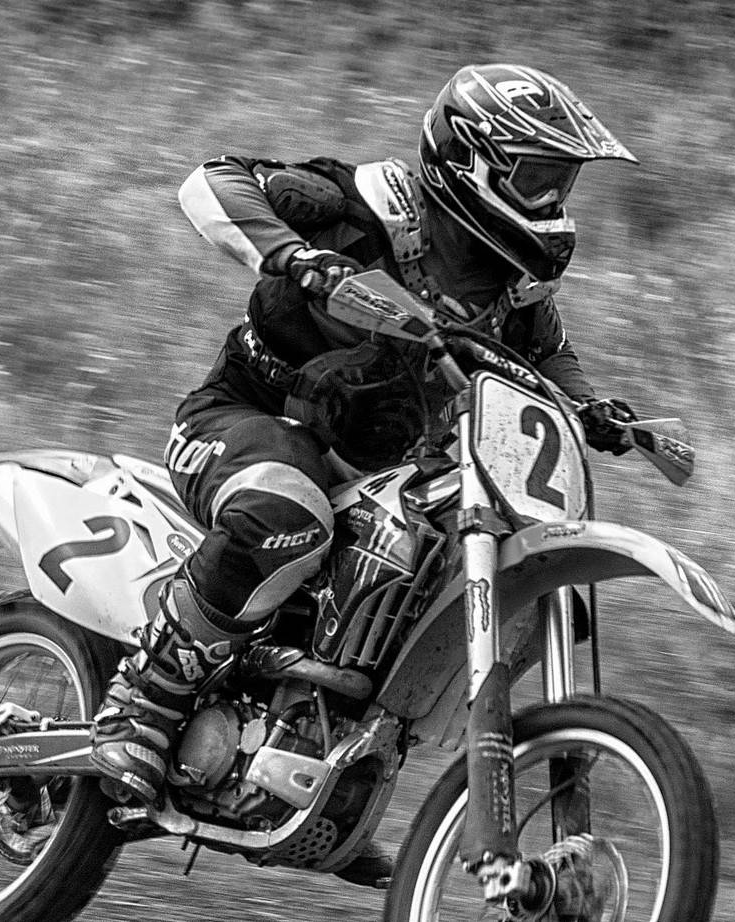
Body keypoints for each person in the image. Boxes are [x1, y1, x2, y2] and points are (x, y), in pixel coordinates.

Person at [89, 63, 640, 816]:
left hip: (372, 472)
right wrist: (296, 255)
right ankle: (143, 700)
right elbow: (212, 182)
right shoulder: (366, 207)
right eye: (537, 179)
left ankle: (337, 762)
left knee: (438, 568)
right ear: (470, 161)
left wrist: (593, 407)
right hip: (242, 422)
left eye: (560, 184)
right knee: (286, 513)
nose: (551, 202)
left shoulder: (514, 289)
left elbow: (549, 355)